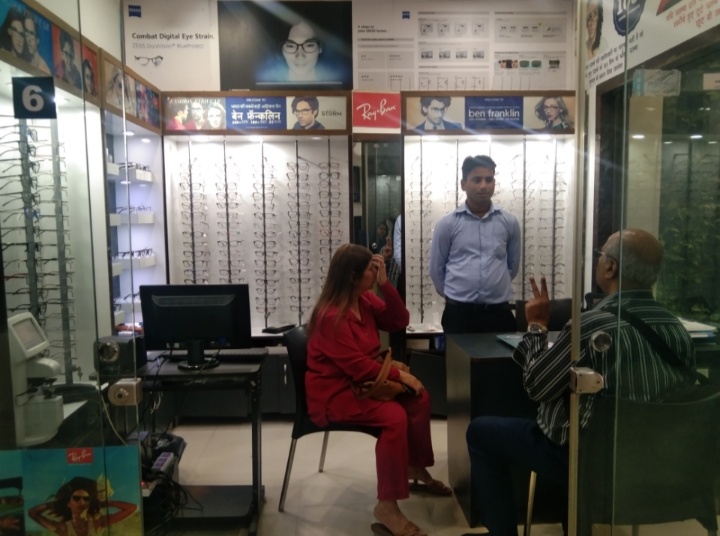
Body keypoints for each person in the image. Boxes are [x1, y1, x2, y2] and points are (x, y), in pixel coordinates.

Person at [465, 229, 697, 536]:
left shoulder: (591, 326)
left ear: (610, 267)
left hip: (591, 461)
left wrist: (536, 326)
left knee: (481, 432)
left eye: (601, 256)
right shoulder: (677, 329)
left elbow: (536, 385)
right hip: (656, 461)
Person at [306, 244, 450, 536]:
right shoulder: (331, 316)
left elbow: (399, 321)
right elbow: (357, 366)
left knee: (419, 399)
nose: (375, 273)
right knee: (394, 417)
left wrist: (385, 284)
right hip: (336, 392)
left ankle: (413, 466)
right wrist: (401, 376)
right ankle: (387, 506)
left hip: (366, 382)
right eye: (371, 270)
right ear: (352, 276)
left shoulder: (364, 300)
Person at [429, 155, 521, 334]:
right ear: (463, 184)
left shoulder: (509, 222)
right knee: (458, 354)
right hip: (459, 315)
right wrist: (455, 296)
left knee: (500, 354)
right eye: (477, 180)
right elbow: (436, 270)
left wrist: (493, 287)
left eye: (489, 179)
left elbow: (512, 267)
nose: (484, 186)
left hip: (498, 314)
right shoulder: (447, 224)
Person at [29, 475, 137, 535]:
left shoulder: (97, 524)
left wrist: (105, 503)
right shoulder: (64, 528)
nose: (81, 502)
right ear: (68, 503)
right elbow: (33, 513)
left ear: (89, 503)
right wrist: (56, 503)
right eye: (76, 498)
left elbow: (131, 508)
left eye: (86, 499)